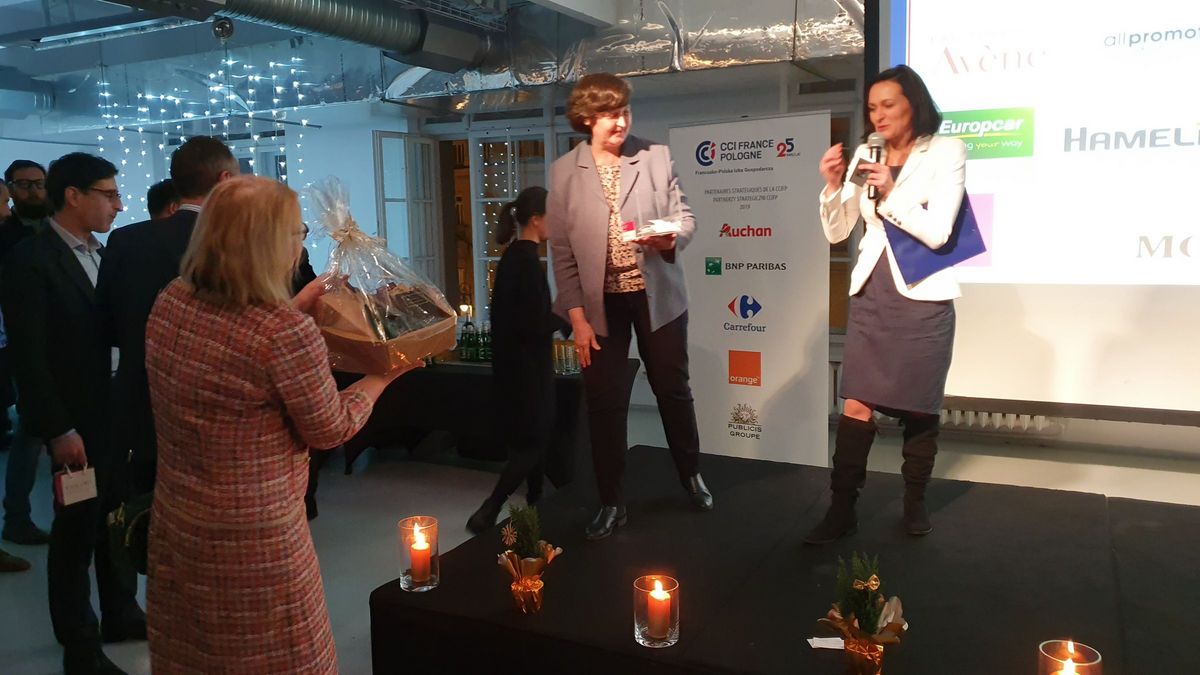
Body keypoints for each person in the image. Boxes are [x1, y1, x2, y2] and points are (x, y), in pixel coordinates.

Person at [144, 176, 422, 674]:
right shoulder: (283, 332)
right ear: (269, 244)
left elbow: (232, 356)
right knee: (277, 657)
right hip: (254, 540)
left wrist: (297, 308)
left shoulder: (173, 300)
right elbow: (330, 427)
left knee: (196, 653)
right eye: (297, 232)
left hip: (180, 520)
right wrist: (384, 374)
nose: (301, 242)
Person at [805, 64, 966, 544]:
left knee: (919, 407)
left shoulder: (947, 151)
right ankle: (842, 510)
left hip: (923, 293)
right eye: (872, 107)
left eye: (888, 105)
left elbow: (939, 233)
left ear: (913, 104)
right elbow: (838, 232)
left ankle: (914, 501)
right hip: (873, 291)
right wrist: (833, 187)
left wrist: (893, 192)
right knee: (856, 403)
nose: (878, 115)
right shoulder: (867, 152)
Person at [547, 73, 712, 542]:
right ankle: (612, 501)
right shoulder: (563, 173)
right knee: (604, 403)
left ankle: (691, 474)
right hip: (599, 306)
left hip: (657, 296)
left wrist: (671, 237)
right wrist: (577, 319)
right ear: (587, 119)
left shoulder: (655, 155)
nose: (620, 122)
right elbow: (561, 254)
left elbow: (685, 217)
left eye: (624, 112)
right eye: (609, 115)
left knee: (672, 390)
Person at [1, 152, 142, 674]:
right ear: (74, 196)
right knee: (76, 532)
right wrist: (58, 428)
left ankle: (121, 612)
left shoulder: (103, 253)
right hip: (74, 420)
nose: (118, 205)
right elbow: (30, 357)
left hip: (114, 410)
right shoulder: (31, 260)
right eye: (108, 194)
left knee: (116, 517)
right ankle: (79, 643)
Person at [96, 136, 238, 496]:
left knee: (141, 505)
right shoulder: (237, 244)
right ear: (224, 180)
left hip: (138, 401)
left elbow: (106, 326)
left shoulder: (125, 240)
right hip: (216, 407)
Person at [467, 186, 562, 534]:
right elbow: (533, 322)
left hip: (514, 367)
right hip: (527, 370)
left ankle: (537, 497)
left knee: (533, 438)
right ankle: (490, 508)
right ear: (536, 219)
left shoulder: (514, 258)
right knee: (533, 441)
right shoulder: (526, 263)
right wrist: (568, 319)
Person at [1, 161, 52, 547]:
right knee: (32, 430)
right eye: (24, 185)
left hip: (57, 341)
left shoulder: (54, 227)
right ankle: (16, 517)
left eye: (39, 184)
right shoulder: (7, 237)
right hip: (20, 343)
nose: (33, 191)